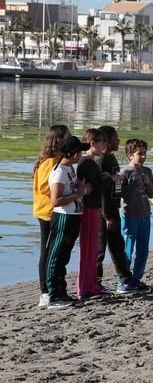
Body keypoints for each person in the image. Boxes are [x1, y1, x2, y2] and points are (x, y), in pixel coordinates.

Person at [45, 136, 91, 308]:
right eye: (79, 151)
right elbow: (55, 201)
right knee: (56, 255)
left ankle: (61, 291)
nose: (81, 154)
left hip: (73, 215)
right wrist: (78, 194)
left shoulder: (69, 168)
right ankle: (53, 295)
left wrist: (80, 189)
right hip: (64, 216)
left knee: (64, 255)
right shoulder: (59, 172)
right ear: (72, 153)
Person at [32, 124, 70, 307]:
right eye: (68, 136)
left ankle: (55, 288)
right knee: (47, 251)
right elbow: (45, 187)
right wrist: (65, 189)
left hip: (54, 210)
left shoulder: (59, 158)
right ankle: (45, 292)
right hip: (47, 212)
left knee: (54, 251)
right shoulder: (50, 161)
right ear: (59, 139)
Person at [96, 125, 136, 293]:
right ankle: (95, 282)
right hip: (105, 212)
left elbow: (113, 186)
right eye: (115, 138)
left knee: (117, 246)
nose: (118, 140)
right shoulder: (101, 159)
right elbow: (101, 191)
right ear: (106, 140)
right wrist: (106, 216)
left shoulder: (110, 158)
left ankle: (126, 279)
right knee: (100, 249)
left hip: (113, 208)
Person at [75, 129, 106, 300]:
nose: (104, 145)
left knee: (92, 249)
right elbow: (84, 187)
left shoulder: (91, 163)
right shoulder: (85, 163)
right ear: (93, 143)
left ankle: (91, 285)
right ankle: (84, 287)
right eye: (101, 142)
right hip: (87, 209)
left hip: (94, 208)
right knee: (87, 249)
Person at [120, 139, 153, 286]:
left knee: (143, 249)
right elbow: (119, 194)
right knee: (127, 249)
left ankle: (136, 278)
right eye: (139, 154)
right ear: (130, 155)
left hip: (145, 214)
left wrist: (147, 183)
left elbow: (152, 194)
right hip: (129, 215)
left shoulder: (147, 171)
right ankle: (123, 279)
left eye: (144, 154)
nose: (143, 157)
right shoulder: (124, 172)